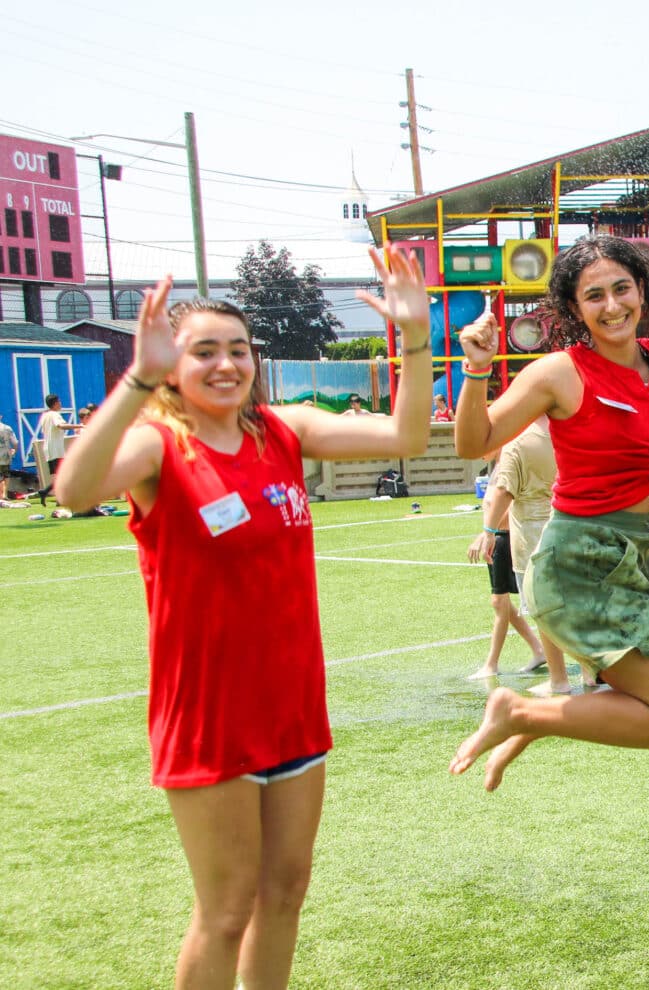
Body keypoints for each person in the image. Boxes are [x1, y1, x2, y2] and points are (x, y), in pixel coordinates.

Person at [51, 250, 434, 990]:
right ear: (171, 364)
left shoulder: (283, 431)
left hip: (291, 707)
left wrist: (414, 338)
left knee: (284, 895)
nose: (226, 365)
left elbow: (407, 437)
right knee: (225, 911)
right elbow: (73, 490)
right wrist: (137, 379)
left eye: (238, 350)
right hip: (209, 716)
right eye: (203, 352)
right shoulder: (158, 445)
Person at [447, 233, 649, 791]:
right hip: (579, 563)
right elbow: (474, 442)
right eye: (593, 295)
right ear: (574, 308)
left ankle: (529, 717)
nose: (612, 305)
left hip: (636, 553)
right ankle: (521, 712)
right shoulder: (558, 372)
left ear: (643, 292)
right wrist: (476, 371)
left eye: (622, 288)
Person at [491, 418, 579, 697]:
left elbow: (503, 492)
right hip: (570, 527)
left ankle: (558, 679)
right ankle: (590, 672)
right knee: (575, 604)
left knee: (542, 610)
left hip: (531, 536)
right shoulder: (572, 434)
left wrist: (488, 530)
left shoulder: (518, 444)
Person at [465, 447, 547, 682]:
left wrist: (486, 534)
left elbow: (509, 508)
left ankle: (491, 664)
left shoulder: (508, 467)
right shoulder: (495, 469)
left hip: (507, 539)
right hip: (498, 539)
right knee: (501, 602)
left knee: (502, 602)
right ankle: (538, 649)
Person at [35, 393, 79, 503]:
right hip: (56, 450)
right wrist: (80, 425)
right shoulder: (54, 415)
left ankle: (56, 497)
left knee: (58, 475)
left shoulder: (44, 416)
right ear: (55, 404)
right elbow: (61, 426)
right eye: (59, 401)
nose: (60, 403)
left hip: (49, 450)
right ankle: (47, 492)